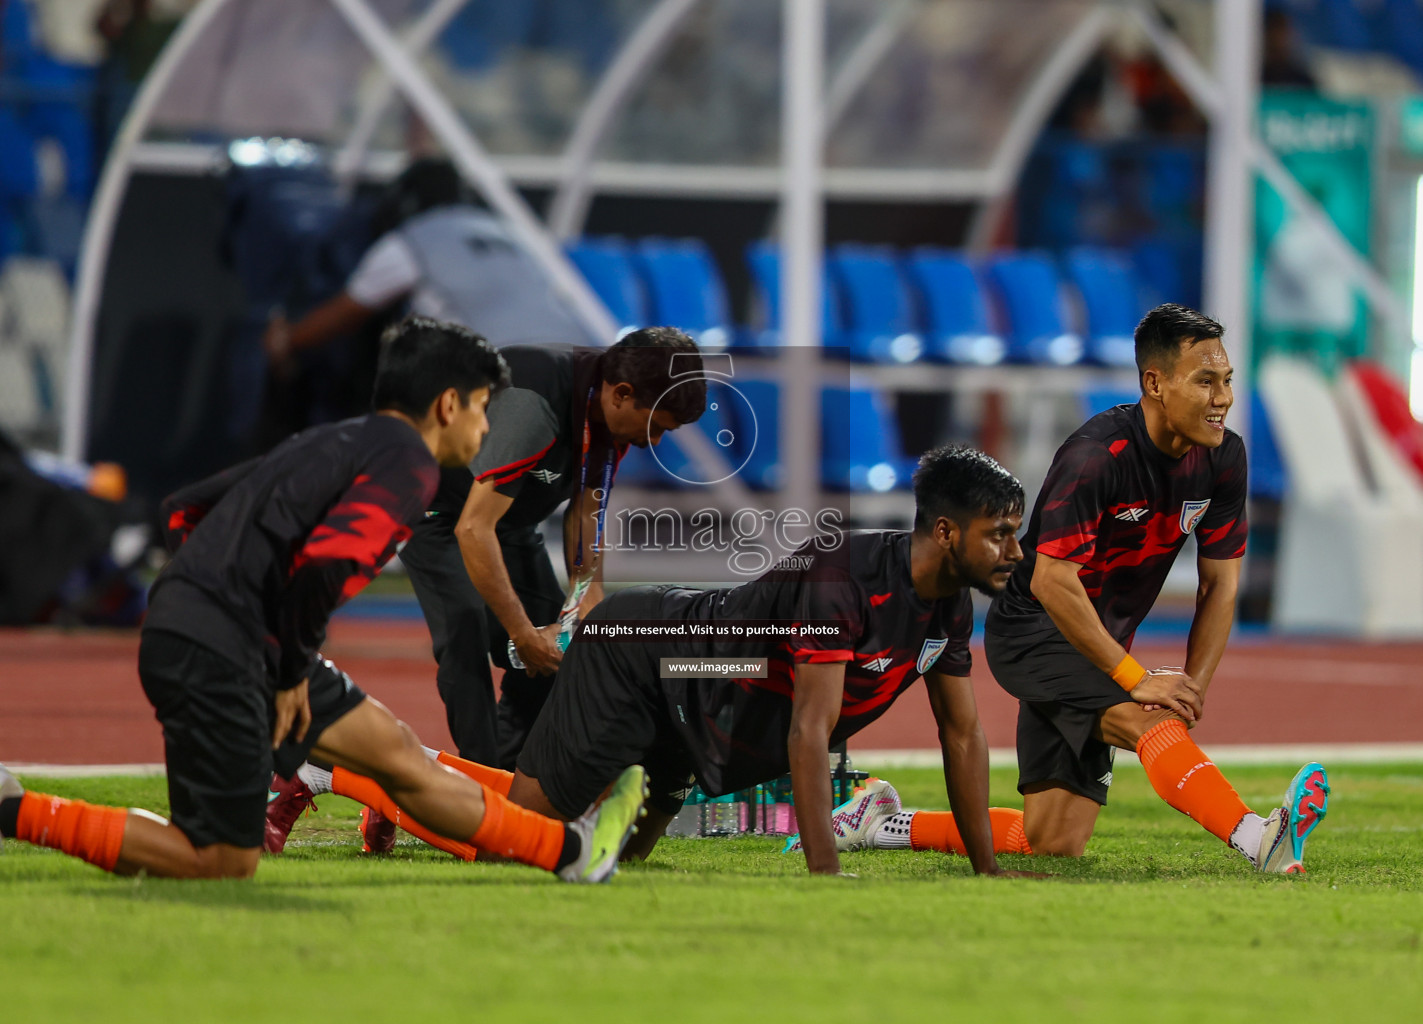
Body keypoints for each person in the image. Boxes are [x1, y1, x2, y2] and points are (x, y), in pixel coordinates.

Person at [0, 316, 646, 883]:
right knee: (218, 860)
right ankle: (12, 810)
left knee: (394, 751)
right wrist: (269, 665)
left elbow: (183, 511)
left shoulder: (332, 439)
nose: (485, 427)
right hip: (226, 649)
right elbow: (323, 569)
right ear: (448, 405)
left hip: (231, 637)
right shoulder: (409, 468)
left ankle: (569, 852)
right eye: (481, 407)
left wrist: (202, 598)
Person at [303, 445, 1047, 878]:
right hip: (645, 656)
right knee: (520, 835)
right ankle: (347, 773)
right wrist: (828, 877)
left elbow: (963, 735)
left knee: (625, 858)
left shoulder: (947, 603)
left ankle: (396, 771)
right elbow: (809, 734)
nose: (1015, 551)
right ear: (946, 532)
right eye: (1000, 535)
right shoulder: (842, 578)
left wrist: (983, 874)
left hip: (703, 687)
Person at [821, 304, 1330, 872]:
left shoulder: (1224, 460)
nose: (1223, 397)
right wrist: (1137, 680)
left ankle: (879, 823)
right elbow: (1052, 580)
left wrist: (1192, 688)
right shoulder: (1096, 457)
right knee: (1146, 720)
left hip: (1096, 642)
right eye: (1205, 381)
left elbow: (1220, 587)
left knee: (1052, 839)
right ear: (1154, 383)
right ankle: (1259, 839)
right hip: (1034, 630)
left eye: (1228, 379)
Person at [265, 329, 707, 854]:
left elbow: (587, 511)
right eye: (656, 428)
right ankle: (468, 805)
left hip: (508, 525)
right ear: (622, 395)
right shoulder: (535, 407)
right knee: (467, 634)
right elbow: (472, 529)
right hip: (436, 512)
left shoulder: (610, 408)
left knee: (559, 660)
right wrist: (521, 632)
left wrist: (584, 597)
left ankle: (482, 793)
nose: (654, 443)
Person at [260, 158, 593, 370]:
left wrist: (287, 340)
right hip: (580, 361)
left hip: (505, 371)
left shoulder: (415, 237)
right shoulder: (511, 231)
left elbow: (347, 312)